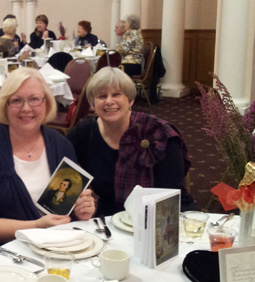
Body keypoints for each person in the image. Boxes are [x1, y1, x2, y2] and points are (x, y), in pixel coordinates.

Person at [0, 68, 96, 269]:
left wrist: (82, 210)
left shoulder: (61, 145)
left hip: (53, 253)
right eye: (16, 100)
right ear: (5, 105)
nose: (26, 108)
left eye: (34, 99)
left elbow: (67, 211)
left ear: (46, 103)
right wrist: (36, 227)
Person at [67, 67, 195, 217]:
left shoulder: (157, 133)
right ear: (92, 105)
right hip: (111, 217)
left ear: (131, 100)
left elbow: (169, 192)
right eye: (102, 96)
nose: (109, 101)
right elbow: (60, 167)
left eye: (116, 94)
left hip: (166, 214)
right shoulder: (85, 133)